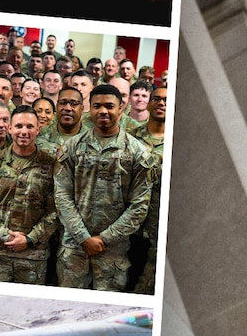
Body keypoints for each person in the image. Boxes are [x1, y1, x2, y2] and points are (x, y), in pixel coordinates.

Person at [54, 85, 156, 291]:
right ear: (89, 108)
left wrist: (105, 238)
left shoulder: (138, 152)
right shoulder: (72, 147)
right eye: (97, 106)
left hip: (113, 251)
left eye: (109, 106)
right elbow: (62, 195)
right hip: (74, 248)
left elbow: (139, 205)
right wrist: (84, 238)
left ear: (121, 108)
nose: (103, 111)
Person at [0, 105, 58, 284]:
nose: (24, 131)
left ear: (38, 129)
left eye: (29, 126)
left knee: (29, 303)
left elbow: (55, 210)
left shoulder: (50, 165)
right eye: (19, 126)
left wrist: (30, 239)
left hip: (33, 255)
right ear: (10, 128)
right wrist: (5, 235)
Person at [129, 86, 166, 293]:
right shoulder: (130, 138)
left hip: (158, 224)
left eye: (166, 100)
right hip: (128, 223)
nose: (161, 103)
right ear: (149, 104)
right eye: (157, 99)